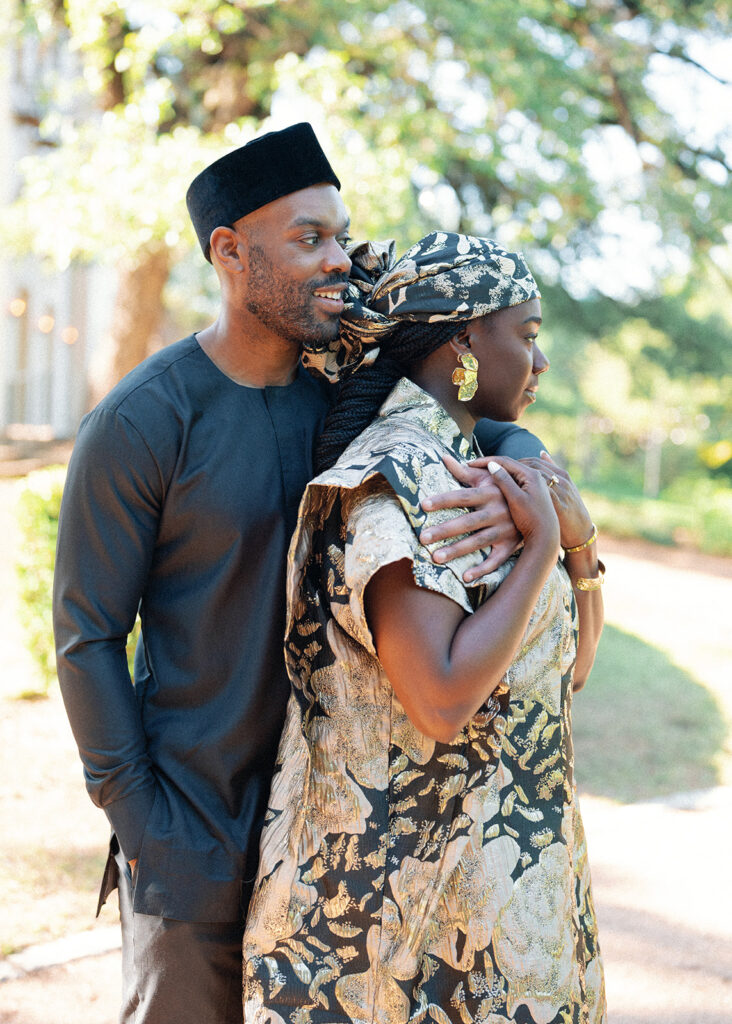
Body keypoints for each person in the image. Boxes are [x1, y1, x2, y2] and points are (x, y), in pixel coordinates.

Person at [52, 126, 548, 1024]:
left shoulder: (349, 402)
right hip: (194, 843)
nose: (339, 262)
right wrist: (146, 828)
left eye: (340, 236)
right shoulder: (141, 421)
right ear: (232, 254)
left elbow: (468, 407)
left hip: (336, 851)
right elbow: (86, 640)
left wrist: (535, 460)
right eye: (310, 239)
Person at [243, 233, 607, 1023]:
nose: (541, 363)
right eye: (529, 335)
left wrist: (575, 546)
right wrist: (544, 545)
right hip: (404, 931)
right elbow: (440, 701)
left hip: (484, 893)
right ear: (465, 341)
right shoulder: (402, 478)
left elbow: (567, 670)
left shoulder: (476, 470)